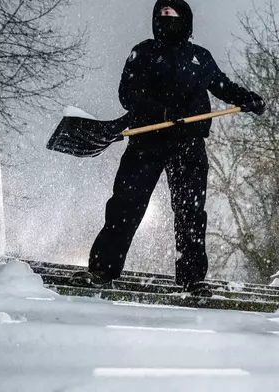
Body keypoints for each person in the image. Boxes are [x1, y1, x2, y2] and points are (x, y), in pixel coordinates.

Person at [70, 0, 265, 296]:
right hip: (147, 141)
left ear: (185, 20)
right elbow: (128, 93)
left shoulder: (200, 57)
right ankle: (101, 270)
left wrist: (247, 98)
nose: (164, 18)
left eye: (171, 14)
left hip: (189, 144)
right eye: (160, 14)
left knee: (191, 213)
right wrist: (161, 112)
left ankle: (192, 279)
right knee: (126, 205)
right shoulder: (144, 52)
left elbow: (222, 85)